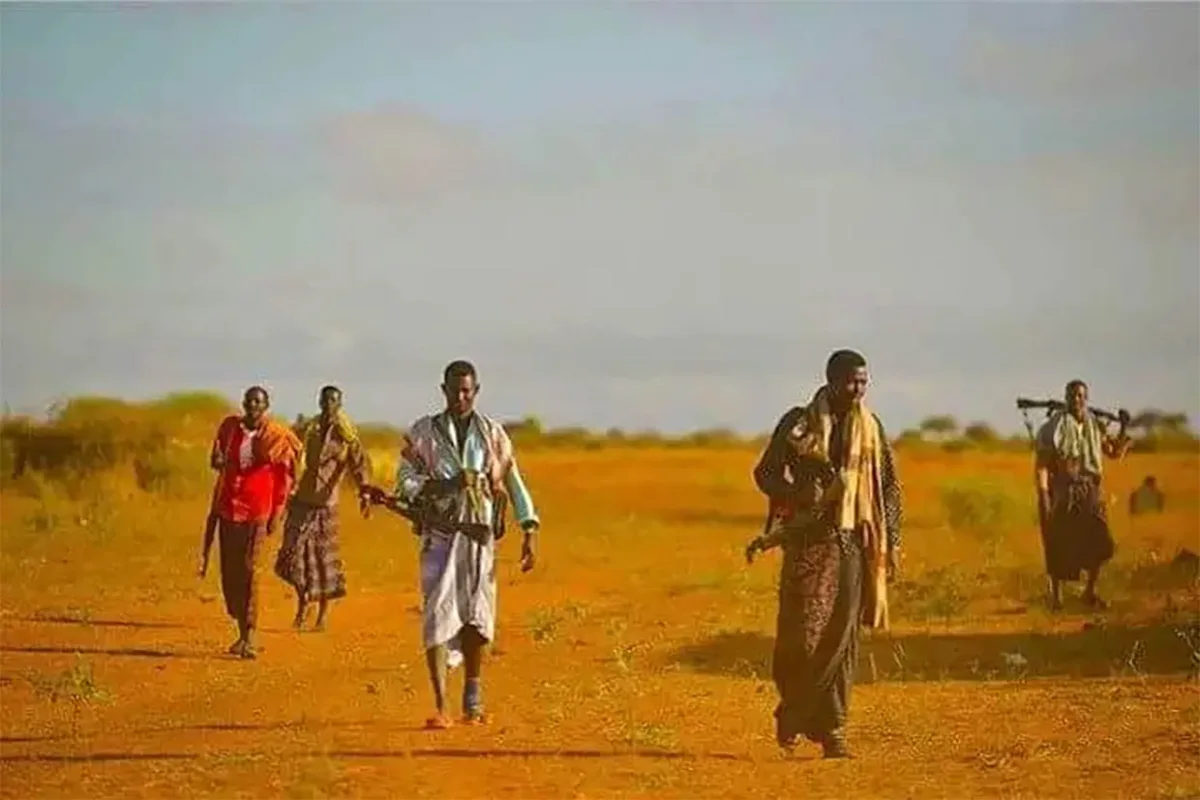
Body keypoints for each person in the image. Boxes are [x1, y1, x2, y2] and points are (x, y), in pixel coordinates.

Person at [745, 349, 903, 759]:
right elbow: (765, 473)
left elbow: (889, 486)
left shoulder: (872, 428)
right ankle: (792, 714)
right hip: (807, 545)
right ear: (832, 380)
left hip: (852, 542)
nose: (859, 390)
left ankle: (833, 731)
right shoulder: (798, 424)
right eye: (853, 381)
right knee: (801, 640)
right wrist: (799, 495)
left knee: (842, 640)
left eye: (865, 382)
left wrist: (893, 540)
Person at [390, 360, 539, 729]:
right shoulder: (423, 433)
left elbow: (513, 482)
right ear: (443, 390)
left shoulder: (492, 434)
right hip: (438, 535)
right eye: (454, 390)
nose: (460, 397)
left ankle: (473, 698)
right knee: (437, 615)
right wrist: (445, 485)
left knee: (478, 616)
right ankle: (441, 706)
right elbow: (404, 481)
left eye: (467, 391)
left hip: (479, 536)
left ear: (476, 391)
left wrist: (529, 527)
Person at [199, 386, 301, 659]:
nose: (253, 405)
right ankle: (240, 625)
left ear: (266, 405)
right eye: (249, 400)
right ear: (244, 403)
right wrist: (219, 461)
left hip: (258, 510)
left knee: (249, 570)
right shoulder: (230, 428)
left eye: (259, 401)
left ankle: (249, 635)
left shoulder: (276, 436)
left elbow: (284, 478)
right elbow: (216, 458)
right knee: (230, 573)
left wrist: (277, 513)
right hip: (228, 507)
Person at [274, 385, 372, 632]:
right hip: (302, 498)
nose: (329, 404)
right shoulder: (311, 429)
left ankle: (320, 617)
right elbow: (292, 455)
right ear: (319, 402)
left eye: (334, 400)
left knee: (322, 562)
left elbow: (359, 465)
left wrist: (365, 492)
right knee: (292, 554)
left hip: (326, 504)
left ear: (340, 404)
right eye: (325, 399)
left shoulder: (347, 435)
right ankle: (304, 599)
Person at [1035, 380, 1132, 610]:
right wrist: (1044, 494)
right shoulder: (1053, 428)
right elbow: (1043, 465)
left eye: (1081, 396)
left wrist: (1124, 428)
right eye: (1072, 395)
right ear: (1066, 398)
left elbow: (1114, 452)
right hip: (1064, 489)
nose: (1077, 400)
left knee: (1100, 540)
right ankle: (1056, 598)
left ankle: (1089, 592)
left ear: (1086, 398)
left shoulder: (1096, 425)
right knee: (1057, 540)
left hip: (1090, 489)